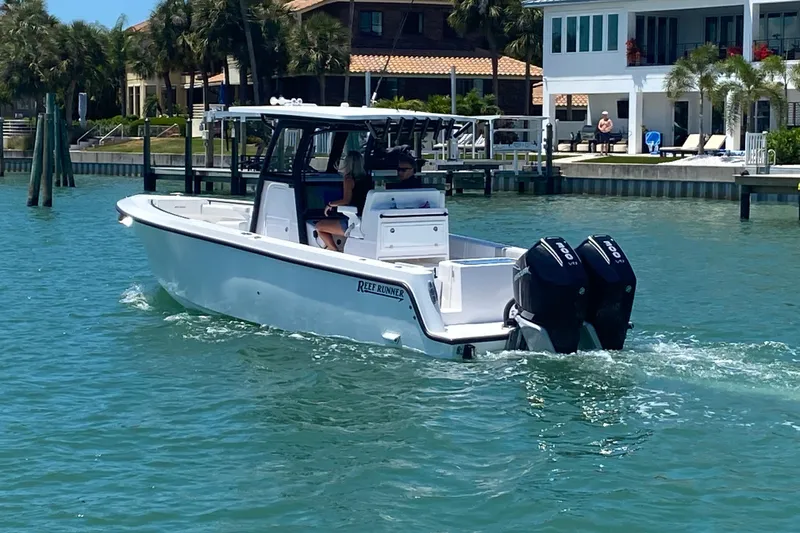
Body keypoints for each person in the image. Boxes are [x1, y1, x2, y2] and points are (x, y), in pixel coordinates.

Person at [315, 151, 371, 251]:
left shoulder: (349, 179)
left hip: (353, 222)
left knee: (319, 226)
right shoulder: (368, 179)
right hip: (365, 219)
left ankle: (333, 250)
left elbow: (346, 200)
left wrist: (330, 204)